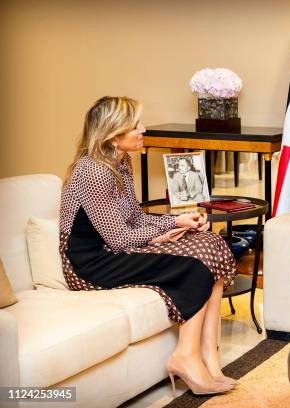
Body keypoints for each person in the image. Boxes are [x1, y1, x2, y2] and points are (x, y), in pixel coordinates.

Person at [60, 96, 237, 395]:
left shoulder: (120, 161)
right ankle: (185, 357)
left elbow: (135, 217)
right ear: (113, 135)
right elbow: (118, 239)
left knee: (211, 241)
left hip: (114, 247)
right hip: (91, 263)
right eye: (135, 125)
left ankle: (209, 355)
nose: (143, 129)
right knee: (196, 264)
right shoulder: (93, 170)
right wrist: (168, 229)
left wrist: (179, 221)